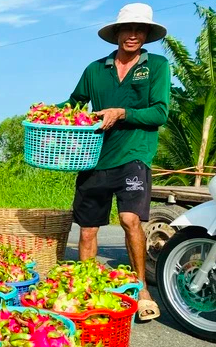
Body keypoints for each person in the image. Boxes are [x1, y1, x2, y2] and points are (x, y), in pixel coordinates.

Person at [60, 3, 170, 321]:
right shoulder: (96, 70)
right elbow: (74, 103)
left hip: (134, 155)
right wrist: (44, 110)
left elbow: (160, 112)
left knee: (130, 220)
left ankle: (141, 289)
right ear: (117, 33)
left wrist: (122, 112)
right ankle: (86, 288)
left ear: (146, 34)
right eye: (127, 28)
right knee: (88, 231)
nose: (133, 34)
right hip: (94, 157)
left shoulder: (157, 66)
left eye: (140, 29)